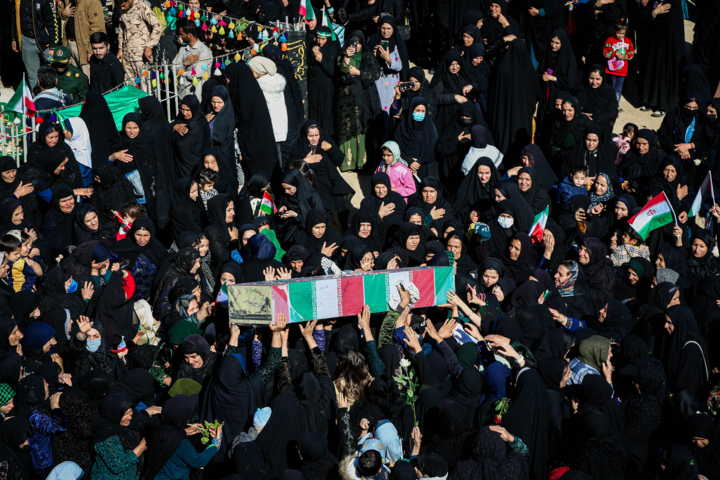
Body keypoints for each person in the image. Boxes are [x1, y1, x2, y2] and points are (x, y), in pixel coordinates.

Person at [335, 31, 382, 172]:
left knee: (362, 128)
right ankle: (349, 163)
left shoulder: (367, 55)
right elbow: (341, 69)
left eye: (359, 43)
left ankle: (362, 164)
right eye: (353, 42)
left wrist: (359, 73)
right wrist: (347, 57)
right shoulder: (343, 54)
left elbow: (376, 73)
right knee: (347, 128)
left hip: (364, 99)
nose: (356, 45)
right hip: (345, 99)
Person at [9, 0, 58, 90]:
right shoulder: (17, 1)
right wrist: (14, 38)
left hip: (45, 41)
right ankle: (36, 100)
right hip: (26, 40)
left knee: (53, 71)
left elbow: (53, 23)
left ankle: (55, 98)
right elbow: (13, 20)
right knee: (32, 76)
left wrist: (53, 46)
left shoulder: (45, 1)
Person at [116, 0, 162, 88]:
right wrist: (120, 48)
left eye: (124, 5)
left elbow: (158, 26)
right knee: (129, 87)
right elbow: (121, 29)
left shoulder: (142, 7)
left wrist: (149, 46)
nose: (122, 8)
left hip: (141, 57)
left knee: (146, 85)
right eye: (120, 6)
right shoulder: (121, 9)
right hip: (127, 56)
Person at [172, 20, 213, 100]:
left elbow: (196, 74)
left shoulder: (203, 51)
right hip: (182, 95)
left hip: (196, 96)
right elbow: (173, 68)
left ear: (189, 35)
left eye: (182, 34)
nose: (180, 36)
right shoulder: (183, 49)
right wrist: (185, 64)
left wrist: (182, 72)